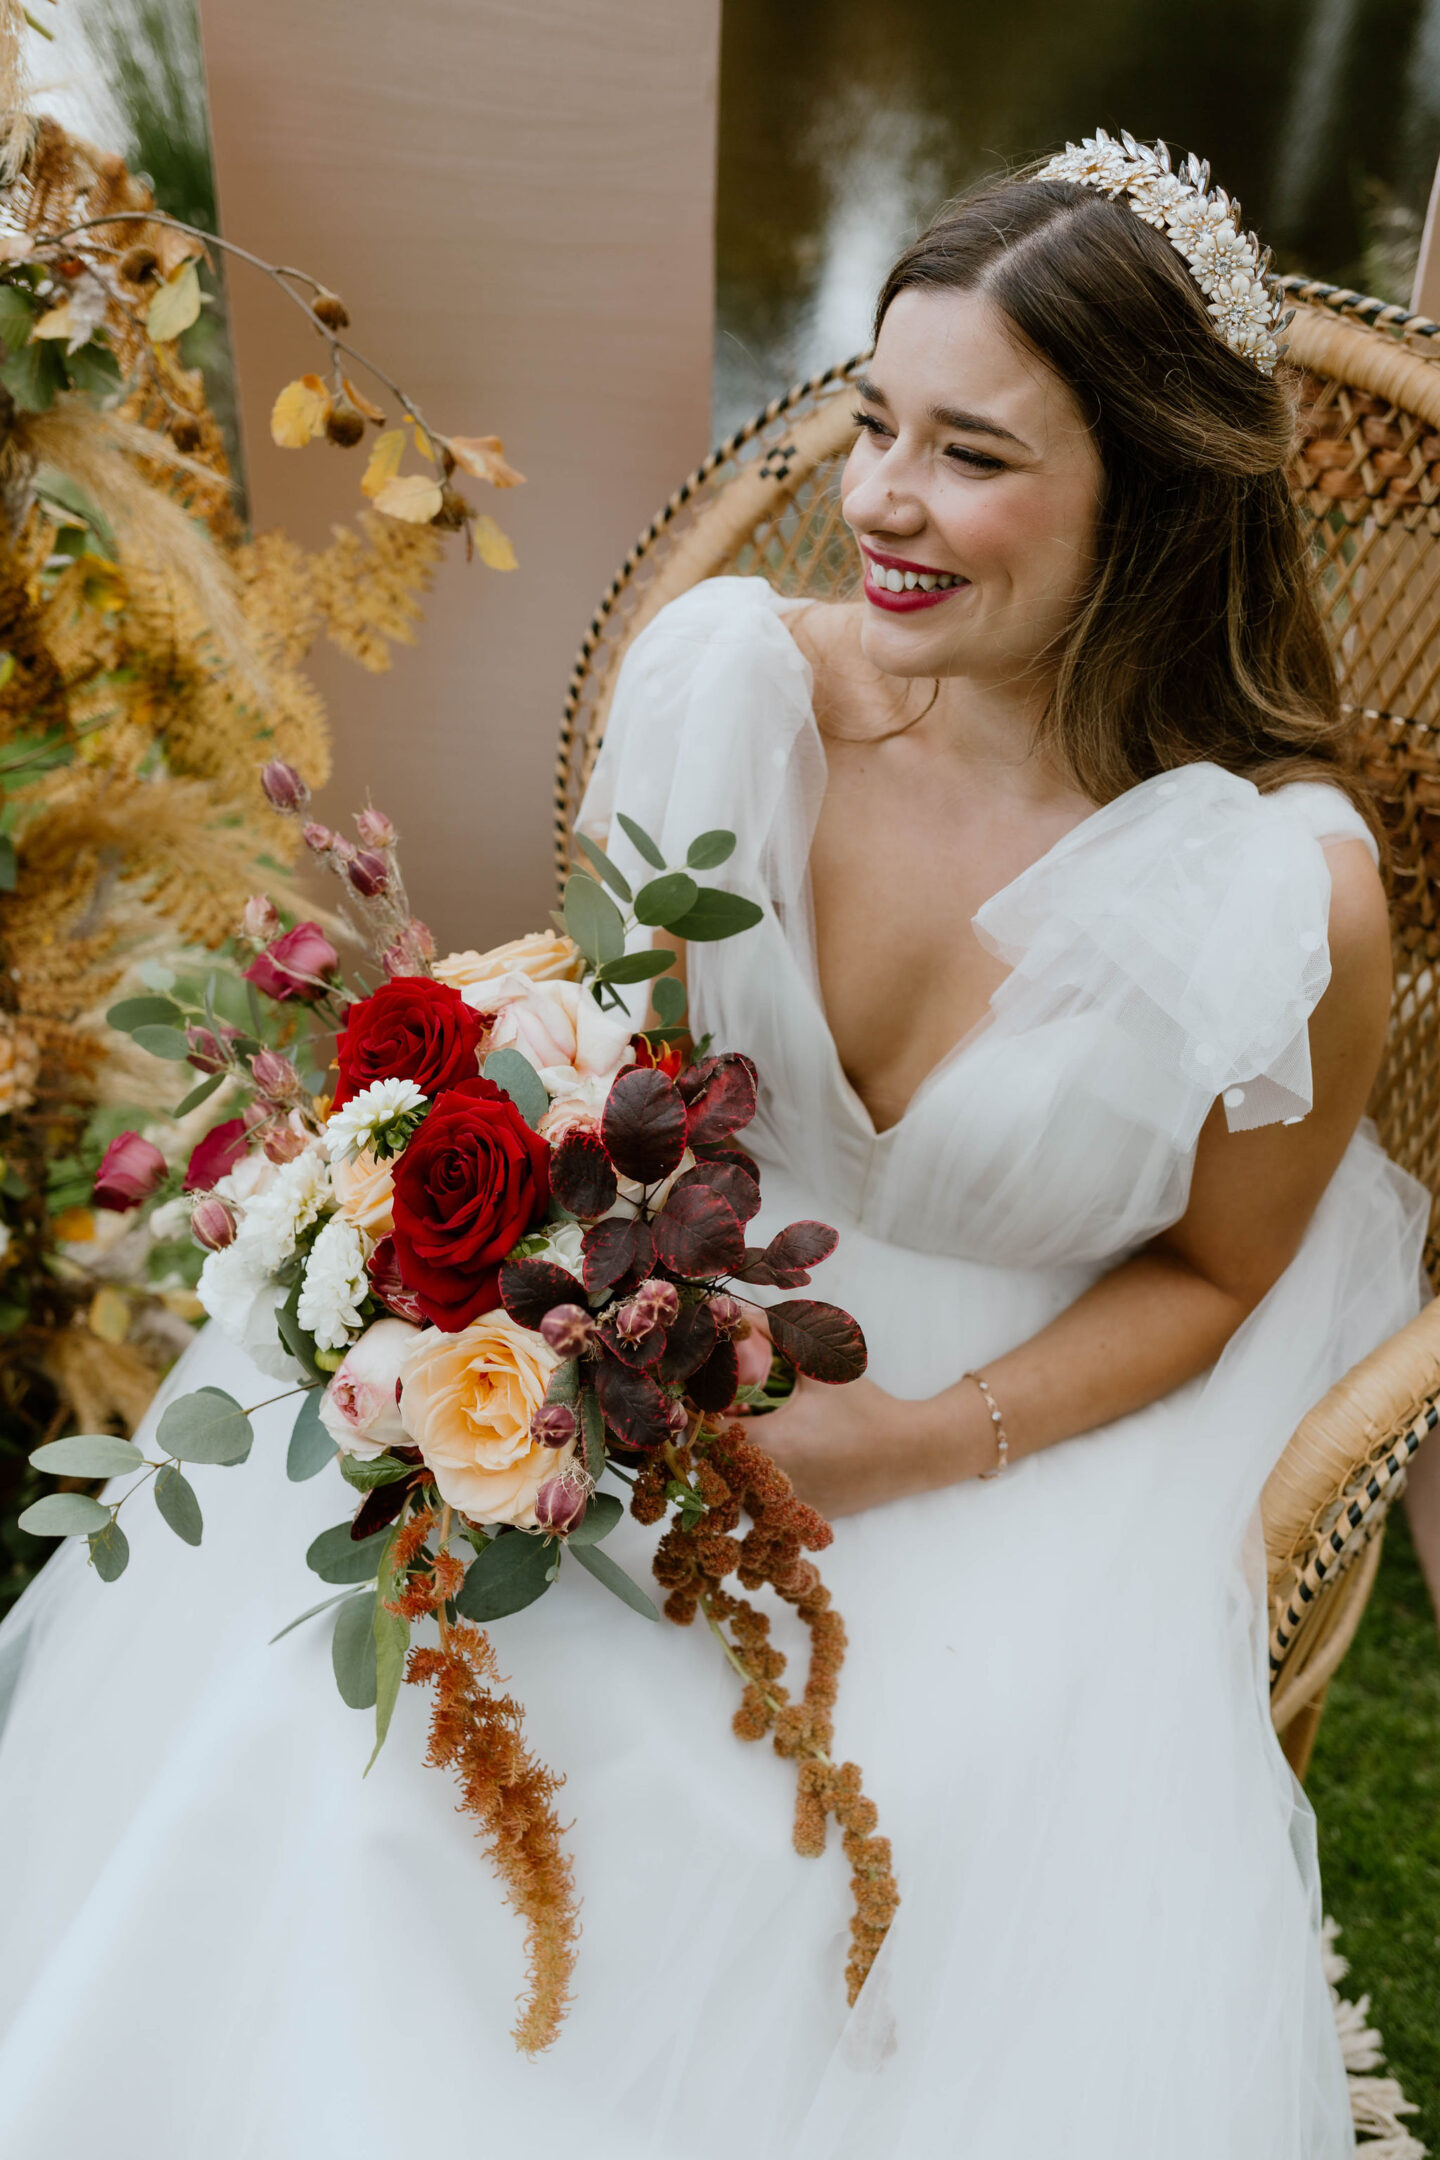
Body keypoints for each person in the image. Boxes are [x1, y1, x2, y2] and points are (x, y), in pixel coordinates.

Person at [0, 137, 1425, 2159]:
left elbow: (1212, 1277)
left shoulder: (1282, 898)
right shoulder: (737, 693)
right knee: (346, 1725)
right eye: (870, 424)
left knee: (749, 1848)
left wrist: (927, 1436)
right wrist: (552, 1339)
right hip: (669, 1357)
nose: (879, 505)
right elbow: (607, 1071)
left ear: (1152, 487)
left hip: (1024, 1452)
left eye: (973, 453)